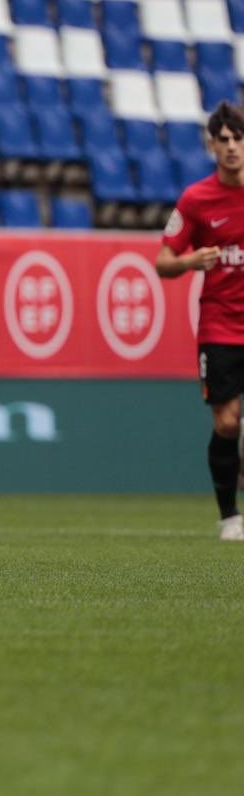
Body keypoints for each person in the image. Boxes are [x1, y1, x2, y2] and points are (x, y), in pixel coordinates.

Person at [156, 101, 244, 542]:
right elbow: (163, 262)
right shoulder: (196, 200)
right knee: (228, 423)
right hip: (220, 327)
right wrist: (192, 259)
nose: (231, 147)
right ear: (211, 144)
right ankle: (230, 515)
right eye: (223, 139)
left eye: (238, 138)